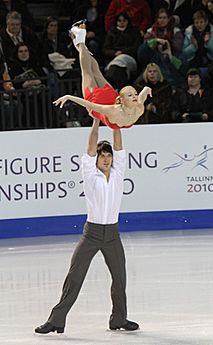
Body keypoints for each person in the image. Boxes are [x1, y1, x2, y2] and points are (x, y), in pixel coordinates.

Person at [34, 117, 139, 334]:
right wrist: (96, 121)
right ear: (97, 160)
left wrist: (116, 122)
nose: (107, 159)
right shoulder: (90, 175)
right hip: (91, 234)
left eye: (109, 156)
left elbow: (119, 146)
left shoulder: (119, 174)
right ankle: (56, 320)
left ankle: (118, 319)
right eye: (103, 156)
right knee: (75, 277)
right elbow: (91, 147)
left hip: (112, 234)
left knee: (120, 279)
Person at [53, 23, 152, 129]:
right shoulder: (119, 111)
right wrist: (69, 97)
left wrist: (146, 89)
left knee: (93, 71)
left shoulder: (139, 107)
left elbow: (143, 95)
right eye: (131, 95)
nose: (135, 97)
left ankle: (80, 46)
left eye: (134, 94)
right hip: (101, 99)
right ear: (121, 100)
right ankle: (80, 40)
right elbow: (90, 105)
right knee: (88, 71)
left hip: (107, 97)